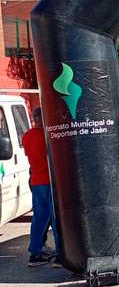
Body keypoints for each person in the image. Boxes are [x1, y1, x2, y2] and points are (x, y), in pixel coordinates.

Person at [21, 108, 60, 266]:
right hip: (51, 180)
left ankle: (35, 252)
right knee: (57, 218)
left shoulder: (27, 136)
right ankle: (61, 253)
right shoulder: (48, 136)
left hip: (36, 180)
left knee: (39, 218)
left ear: (34, 118)